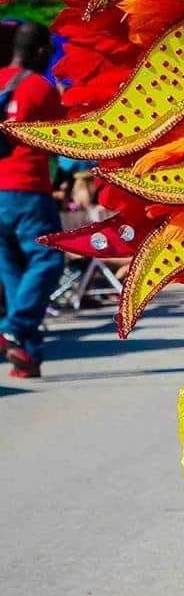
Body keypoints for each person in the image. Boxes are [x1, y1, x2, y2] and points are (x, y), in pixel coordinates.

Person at [0, 21, 64, 377]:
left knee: (13, 271)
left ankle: (26, 358)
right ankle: (14, 326)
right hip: (28, 188)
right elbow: (65, 136)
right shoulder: (42, 87)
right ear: (41, 51)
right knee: (47, 261)